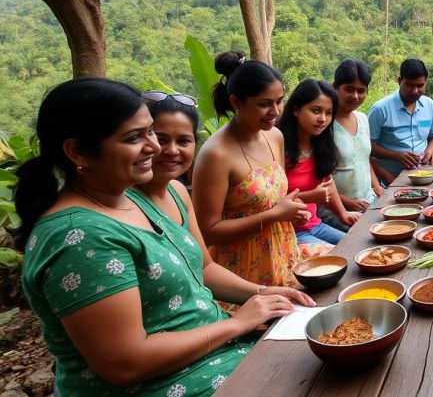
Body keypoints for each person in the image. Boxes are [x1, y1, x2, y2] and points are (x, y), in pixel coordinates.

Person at [16, 78, 305, 396]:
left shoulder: (132, 197)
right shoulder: (78, 237)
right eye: (134, 138)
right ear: (78, 152)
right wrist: (237, 323)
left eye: (149, 131)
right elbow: (125, 363)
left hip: (215, 353)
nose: (154, 148)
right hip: (164, 384)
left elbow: (203, 269)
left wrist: (264, 294)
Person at [192, 51, 308, 287]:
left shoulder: (274, 136)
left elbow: (273, 199)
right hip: (244, 272)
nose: (275, 112)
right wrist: (275, 215)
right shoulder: (216, 154)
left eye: (279, 101)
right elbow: (207, 231)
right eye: (264, 104)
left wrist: (291, 210)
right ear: (236, 102)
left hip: (284, 254)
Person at [277, 79, 359, 245]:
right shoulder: (278, 147)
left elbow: (328, 184)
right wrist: (310, 197)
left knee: (357, 246)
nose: (322, 119)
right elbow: (271, 202)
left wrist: (344, 214)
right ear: (296, 109)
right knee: (343, 260)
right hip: (290, 233)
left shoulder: (320, 145)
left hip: (316, 225)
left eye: (328, 113)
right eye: (316, 111)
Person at [368, 58, 433, 184]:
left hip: (425, 174)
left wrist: (430, 150)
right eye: (409, 85)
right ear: (399, 81)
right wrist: (397, 155)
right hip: (391, 178)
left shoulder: (429, 105)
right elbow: (368, 147)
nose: (415, 91)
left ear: (426, 82)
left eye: (420, 86)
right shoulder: (380, 109)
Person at [330, 59, 384, 225]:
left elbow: (364, 160)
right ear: (335, 87)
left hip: (369, 201)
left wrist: (378, 188)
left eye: (361, 91)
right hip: (338, 209)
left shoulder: (362, 119)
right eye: (349, 89)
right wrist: (348, 202)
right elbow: (321, 178)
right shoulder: (325, 125)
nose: (355, 96)